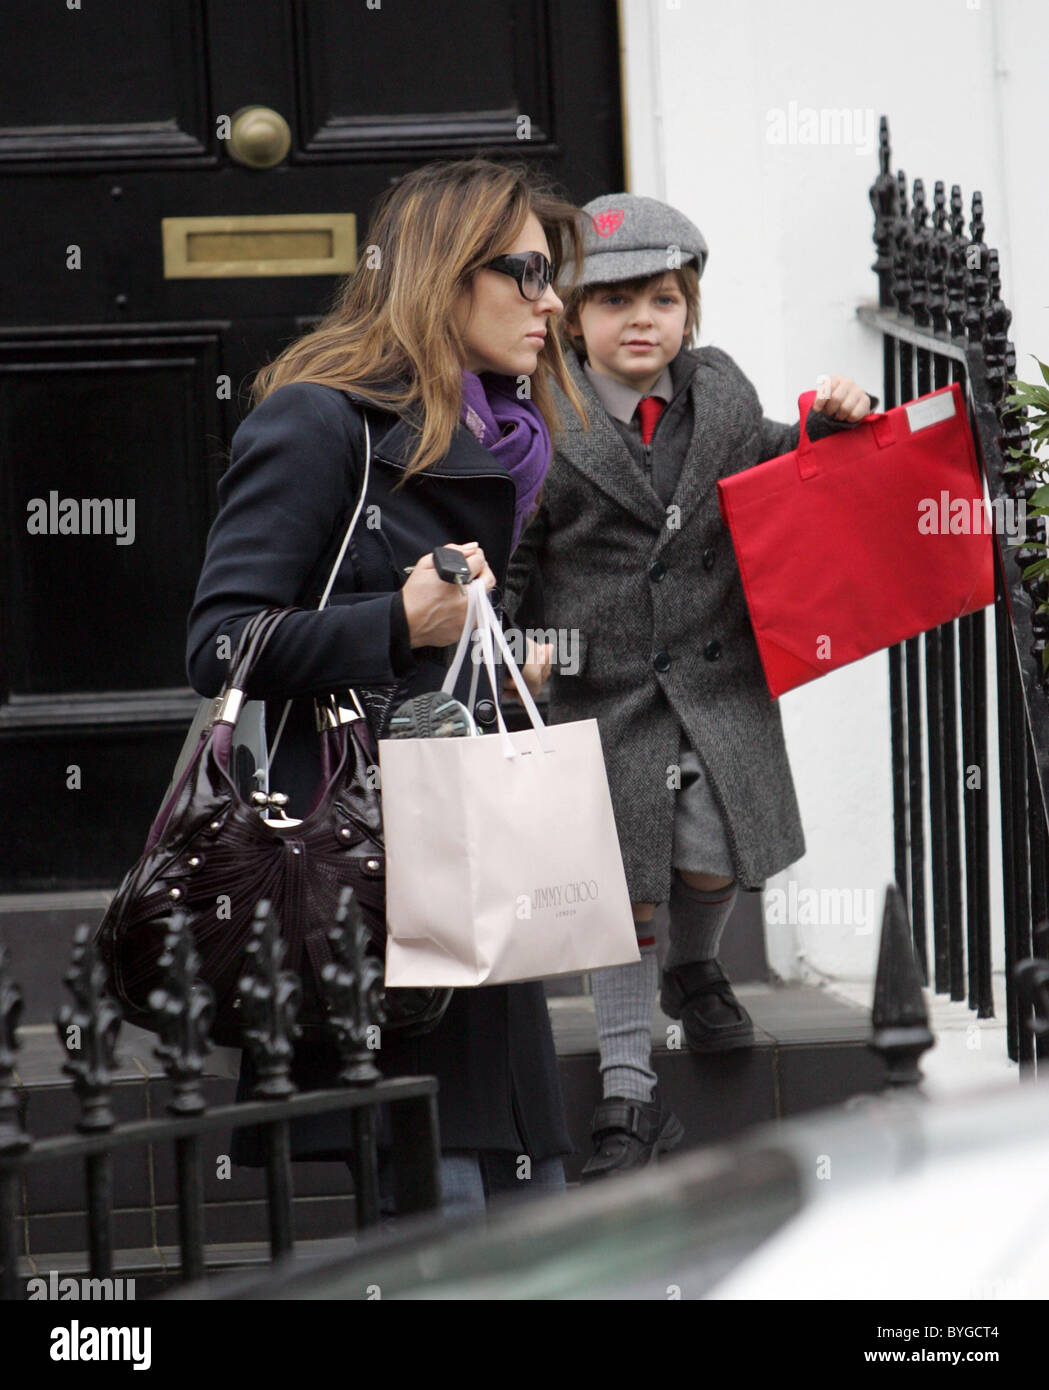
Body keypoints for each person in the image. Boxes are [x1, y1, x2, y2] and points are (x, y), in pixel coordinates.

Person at [185, 157, 589, 1217]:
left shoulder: (503, 441)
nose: (552, 303)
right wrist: (394, 623)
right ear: (445, 272)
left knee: (530, 1200)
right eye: (528, 274)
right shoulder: (321, 423)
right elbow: (220, 644)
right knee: (447, 1203)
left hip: (474, 860)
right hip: (368, 865)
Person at [502, 192, 877, 1178]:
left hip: (714, 688)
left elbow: (779, 474)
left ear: (689, 311)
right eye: (613, 300)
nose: (639, 319)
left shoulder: (715, 399)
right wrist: (515, 650)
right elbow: (511, 557)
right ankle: (629, 1088)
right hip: (598, 697)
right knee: (618, 895)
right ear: (571, 318)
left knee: (710, 858)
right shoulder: (542, 421)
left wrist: (828, 426)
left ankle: (695, 960)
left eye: (661, 300)